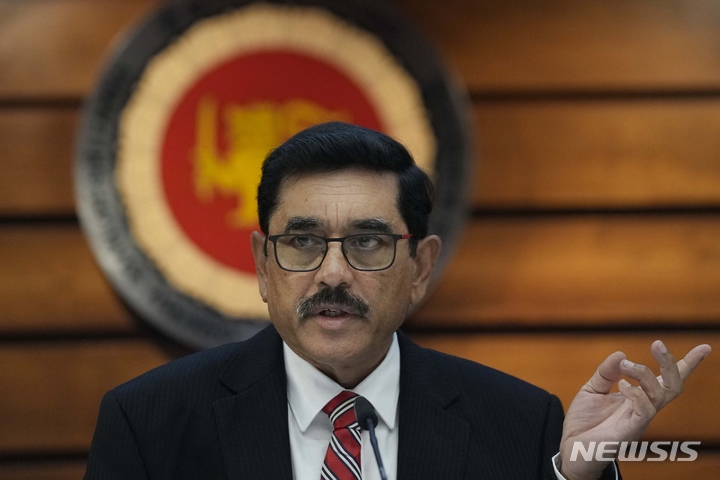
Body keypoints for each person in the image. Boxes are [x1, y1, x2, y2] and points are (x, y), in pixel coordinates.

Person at [85, 122, 711, 480]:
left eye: (368, 242)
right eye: (302, 242)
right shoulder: (149, 424)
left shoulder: (524, 427)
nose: (332, 273)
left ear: (420, 268)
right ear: (262, 265)